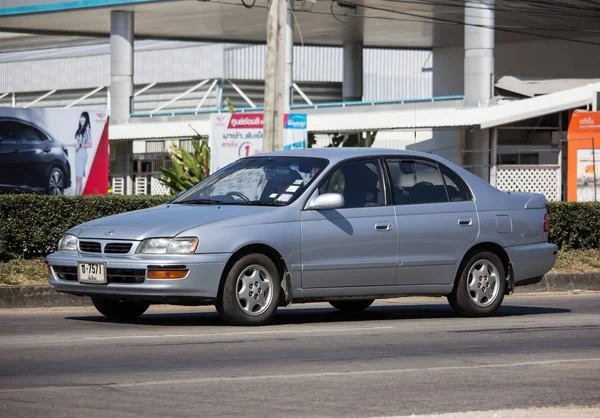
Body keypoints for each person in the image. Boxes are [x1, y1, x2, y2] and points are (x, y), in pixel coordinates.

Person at [67, 112, 92, 195]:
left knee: (78, 177)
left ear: (86, 119)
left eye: (84, 117)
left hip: (82, 154)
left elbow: (90, 144)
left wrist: (80, 145)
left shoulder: (87, 129)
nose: (82, 119)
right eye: (81, 117)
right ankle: (79, 195)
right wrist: (66, 145)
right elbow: (76, 144)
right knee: (78, 178)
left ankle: (77, 196)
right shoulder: (79, 129)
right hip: (77, 154)